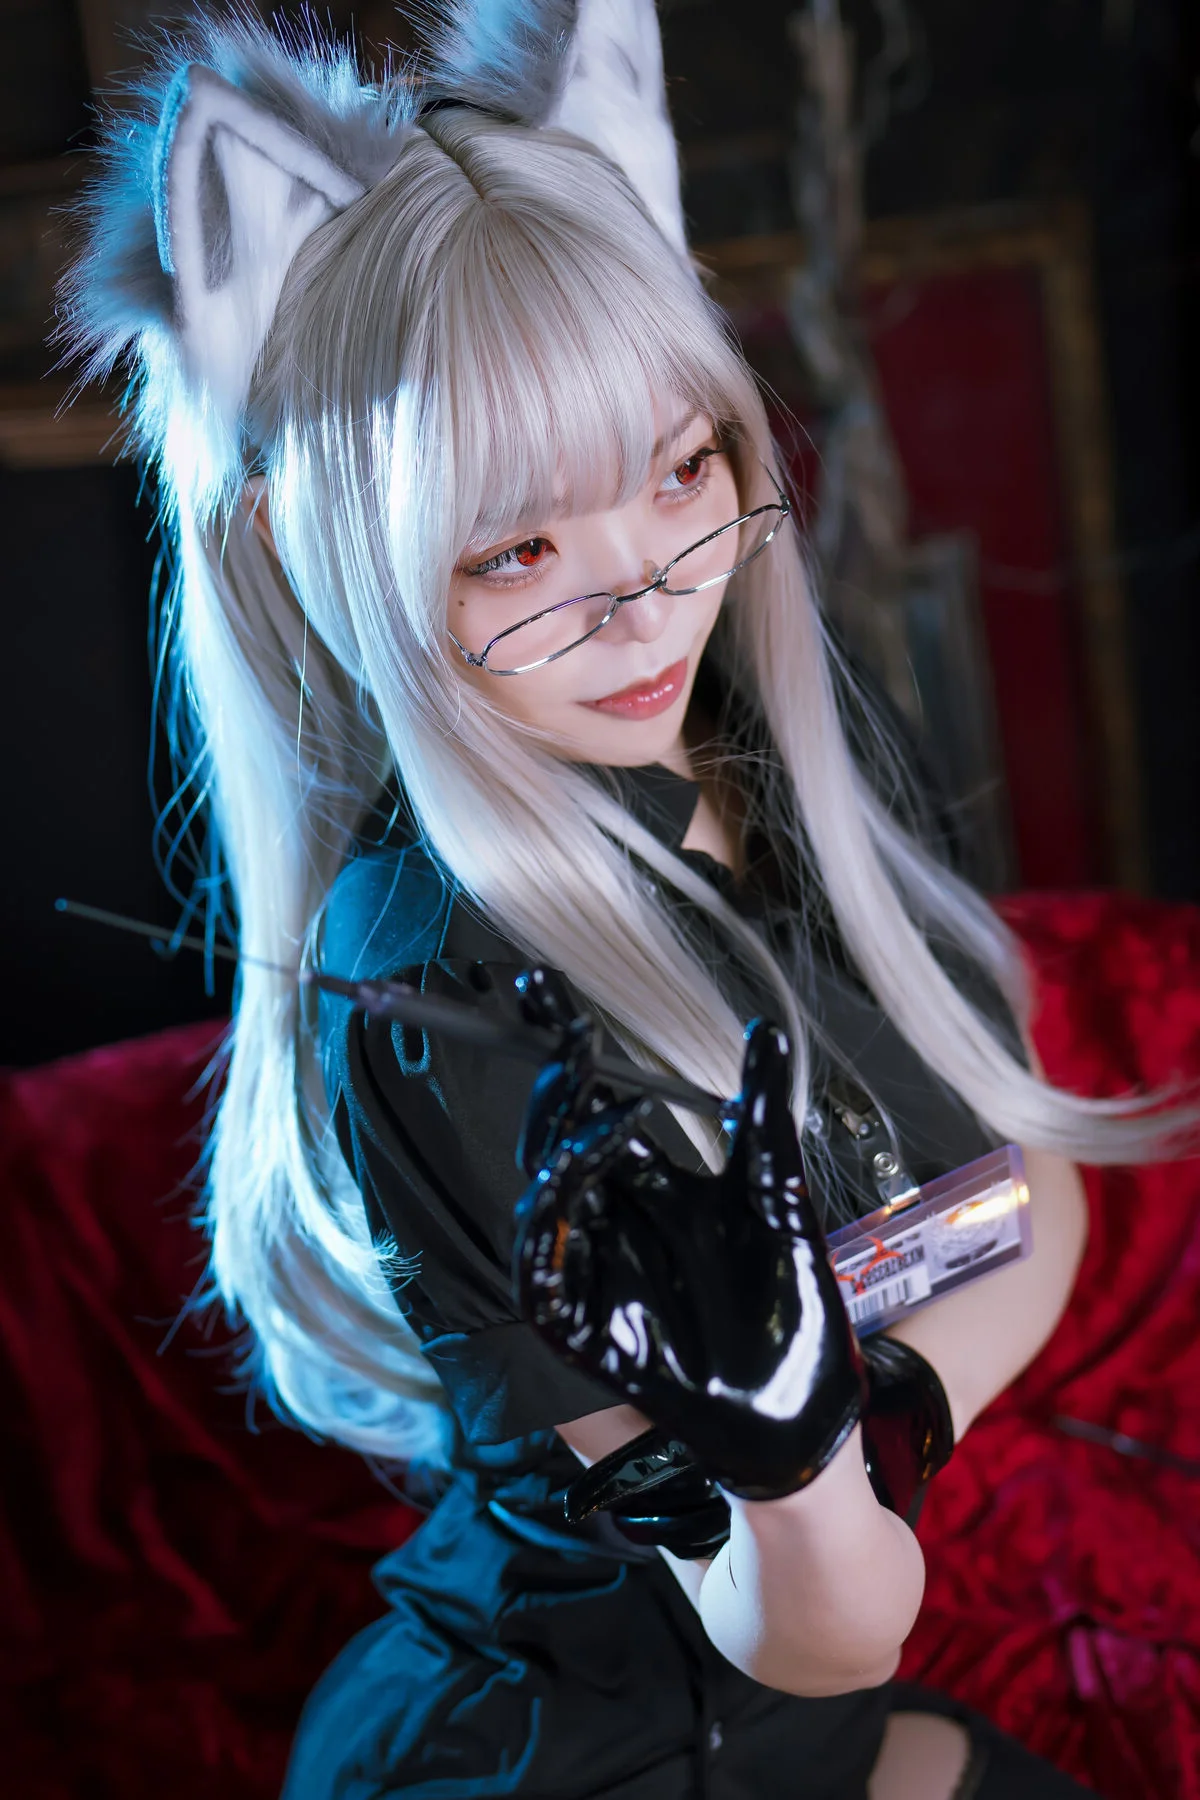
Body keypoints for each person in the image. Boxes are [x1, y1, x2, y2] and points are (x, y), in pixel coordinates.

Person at [58, 4, 1197, 1795]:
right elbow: (813, 1623)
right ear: (312, 548)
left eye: (683, 469)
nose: (649, 597)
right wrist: (792, 1465)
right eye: (518, 547)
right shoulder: (436, 992)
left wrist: (873, 1409)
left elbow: (1024, 1197)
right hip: (564, 1755)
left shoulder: (776, 737)